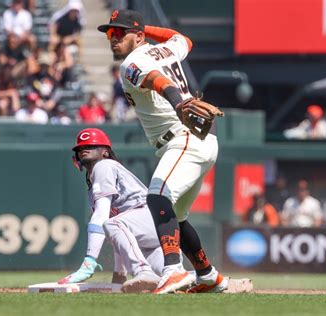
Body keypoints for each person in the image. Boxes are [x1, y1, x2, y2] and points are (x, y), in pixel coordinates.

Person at [97, 9, 227, 294]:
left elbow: (158, 79)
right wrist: (143, 28)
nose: (113, 38)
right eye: (110, 33)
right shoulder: (166, 49)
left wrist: (178, 103)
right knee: (176, 217)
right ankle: (207, 274)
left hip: (183, 139)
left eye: (120, 32)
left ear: (139, 36)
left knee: (156, 197)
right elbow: (183, 40)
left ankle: (173, 270)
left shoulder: (132, 61)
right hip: (203, 141)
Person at [58, 128, 164, 293]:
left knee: (111, 223)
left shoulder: (104, 165)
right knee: (169, 279)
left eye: (92, 146)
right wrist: (119, 275)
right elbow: (119, 234)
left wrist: (89, 262)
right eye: (80, 148)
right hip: (149, 230)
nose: (84, 149)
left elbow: (103, 217)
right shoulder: (94, 182)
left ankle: (143, 270)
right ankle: (203, 277)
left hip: (146, 215)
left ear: (105, 152)